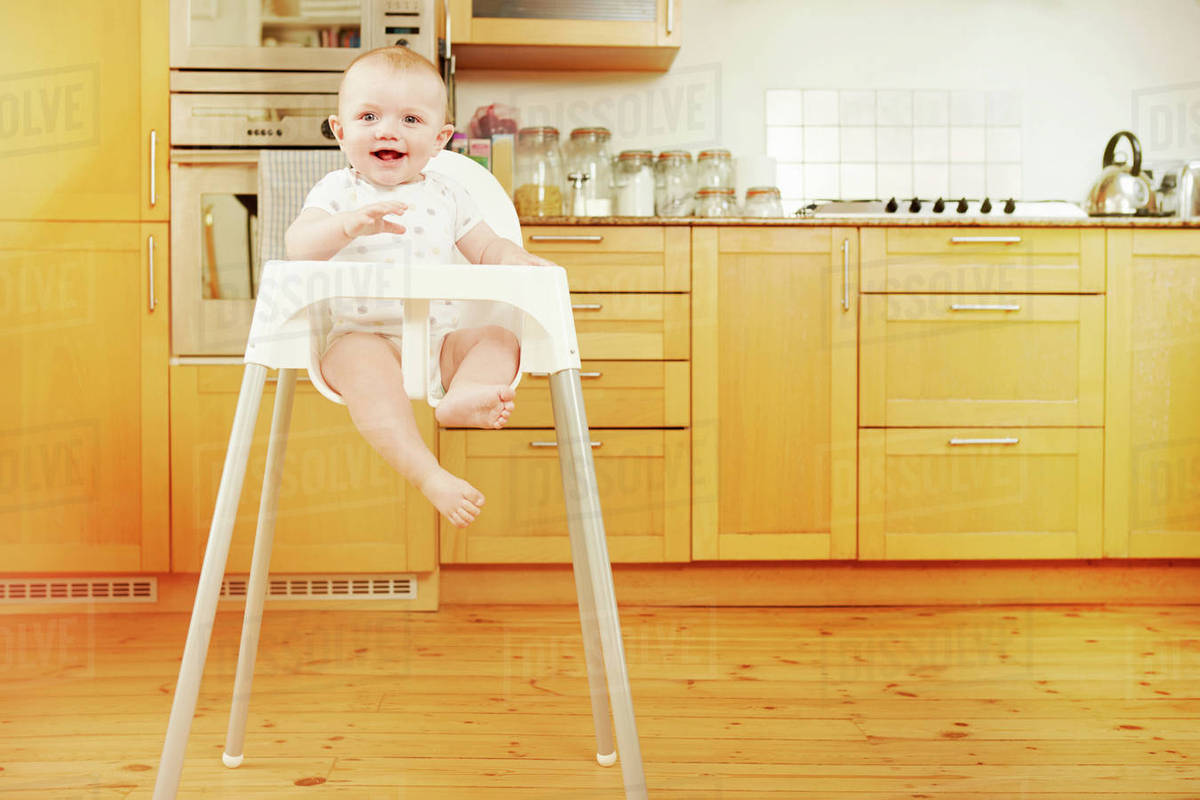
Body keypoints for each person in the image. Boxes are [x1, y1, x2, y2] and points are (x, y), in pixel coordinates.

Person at [285, 45, 554, 529]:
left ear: (439, 138)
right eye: (369, 116)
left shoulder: (448, 195)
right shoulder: (336, 192)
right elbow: (298, 246)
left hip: (439, 344)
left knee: (500, 338)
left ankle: (463, 396)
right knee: (362, 362)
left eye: (410, 119)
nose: (388, 130)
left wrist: (521, 261)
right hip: (363, 340)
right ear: (341, 131)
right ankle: (428, 474)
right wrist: (346, 226)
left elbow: (488, 249)